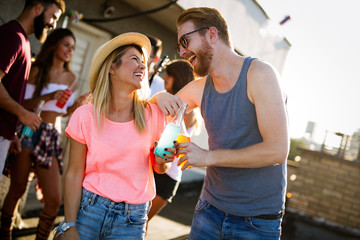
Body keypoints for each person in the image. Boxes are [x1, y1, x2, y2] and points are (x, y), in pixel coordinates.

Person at [154, 7, 289, 240]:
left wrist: (207, 157)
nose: (183, 52)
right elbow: (157, 113)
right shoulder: (199, 88)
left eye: (186, 41)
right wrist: (158, 97)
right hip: (209, 211)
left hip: (256, 222)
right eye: (180, 46)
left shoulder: (260, 74)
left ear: (212, 34)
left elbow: (277, 150)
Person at [56, 32, 174, 240]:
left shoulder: (154, 114)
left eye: (143, 62)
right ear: (112, 68)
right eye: (134, 59)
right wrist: (69, 225)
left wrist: (162, 161)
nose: (143, 66)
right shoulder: (85, 115)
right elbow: (74, 174)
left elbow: (161, 167)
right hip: (88, 211)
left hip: (132, 220)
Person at [0, 28, 87, 240]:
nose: (70, 50)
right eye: (66, 45)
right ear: (54, 44)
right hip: (27, 131)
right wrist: (46, 96)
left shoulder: (71, 78)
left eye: (73, 48)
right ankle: (5, 234)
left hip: (50, 134)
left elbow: (62, 111)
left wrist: (77, 105)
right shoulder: (36, 69)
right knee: (18, 188)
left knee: (54, 199)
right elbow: (21, 104)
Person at [0, 0, 65, 181]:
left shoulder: (24, 42)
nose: (53, 24)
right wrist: (22, 113)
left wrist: (11, 135)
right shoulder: (13, 36)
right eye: (53, 17)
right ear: (38, 8)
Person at [147, 59, 200, 224]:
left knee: (140, 221)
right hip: (155, 165)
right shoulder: (168, 100)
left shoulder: (186, 109)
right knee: (139, 223)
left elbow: (172, 140)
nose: (164, 77)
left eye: (168, 74)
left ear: (177, 78)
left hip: (168, 175)